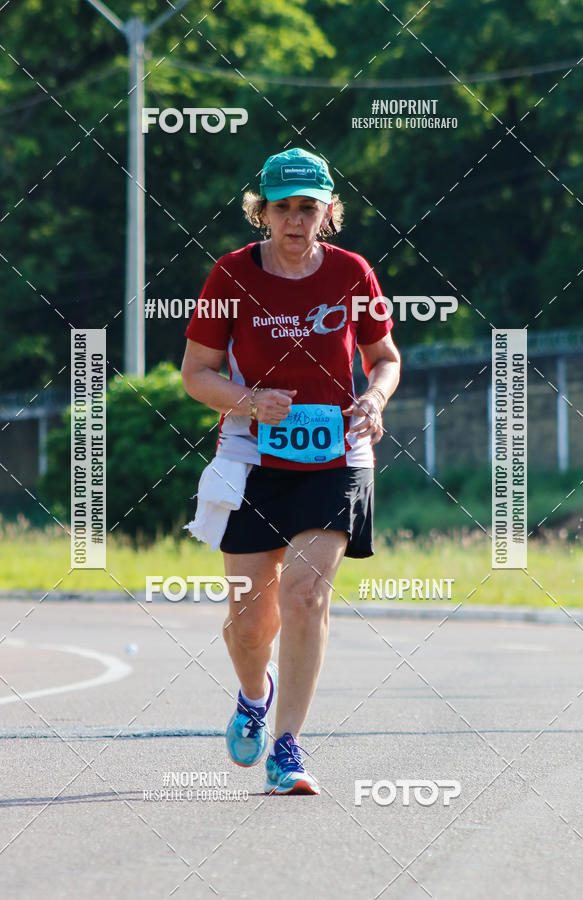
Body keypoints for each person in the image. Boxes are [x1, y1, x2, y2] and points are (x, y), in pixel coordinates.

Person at [181, 147, 401, 795]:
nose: (297, 219)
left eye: (310, 206)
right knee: (250, 622)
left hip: (337, 454)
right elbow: (196, 374)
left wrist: (375, 398)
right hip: (252, 456)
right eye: (284, 207)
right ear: (263, 213)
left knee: (306, 593)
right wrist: (249, 402)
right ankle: (255, 694)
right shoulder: (230, 277)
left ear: (328, 212)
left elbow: (384, 357)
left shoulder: (351, 273)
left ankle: (288, 746)